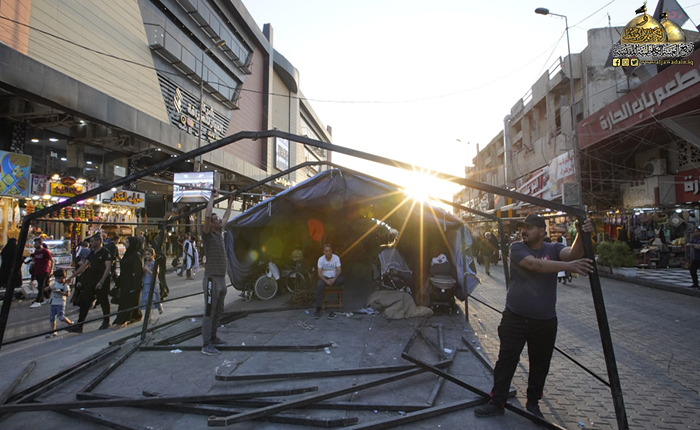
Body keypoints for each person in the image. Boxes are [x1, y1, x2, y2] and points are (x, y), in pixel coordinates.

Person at [474, 214, 594, 419]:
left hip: (545, 321)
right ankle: (497, 401)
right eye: (523, 227)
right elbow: (534, 265)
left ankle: (533, 403)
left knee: (540, 364)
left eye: (529, 227)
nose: (524, 231)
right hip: (515, 318)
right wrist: (568, 267)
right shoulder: (517, 247)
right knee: (506, 361)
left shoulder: (554, 248)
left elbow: (574, 254)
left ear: (541, 230)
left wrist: (582, 233)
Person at [200, 191, 236, 356]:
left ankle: (213, 338)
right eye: (216, 219)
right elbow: (207, 216)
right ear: (212, 224)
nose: (219, 220)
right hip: (211, 280)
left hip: (221, 279)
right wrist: (212, 198)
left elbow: (227, 216)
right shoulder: (207, 235)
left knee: (218, 311)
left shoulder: (219, 233)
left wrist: (231, 201)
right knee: (209, 312)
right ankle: (206, 344)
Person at [66, 234, 112, 332]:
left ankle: (106, 321)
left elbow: (107, 268)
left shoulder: (105, 252)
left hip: (101, 280)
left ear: (98, 241)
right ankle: (79, 325)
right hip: (90, 280)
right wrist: (72, 277)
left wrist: (101, 281)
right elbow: (84, 266)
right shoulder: (92, 253)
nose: (90, 243)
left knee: (103, 301)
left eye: (92, 241)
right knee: (84, 302)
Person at [112, 237, 143, 328]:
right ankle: (135, 316)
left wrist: (136, 285)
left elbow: (138, 271)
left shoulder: (135, 255)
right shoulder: (127, 254)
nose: (125, 243)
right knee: (128, 301)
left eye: (127, 242)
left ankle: (122, 320)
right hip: (124, 281)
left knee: (127, 301)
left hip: (131, 282)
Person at [315, 243, 345, 320]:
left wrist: (334, 279)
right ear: (323, 252)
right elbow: (319, 274)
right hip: (324, 278)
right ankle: (318, 309)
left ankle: (331, 283)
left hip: (334, 277)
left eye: (329, 251)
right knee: (319, 285)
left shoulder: (336, 258)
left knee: (342, 279)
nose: (328, 252)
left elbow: (339, 270)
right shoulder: (321, 259)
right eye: (326, 251)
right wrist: (326, 281)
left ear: (332, 251)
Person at [44, 269, 74, 338]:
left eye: (59, 278)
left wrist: (60, 292)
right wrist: (49, 288)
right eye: (56, 278)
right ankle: (53, 331)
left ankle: (70, 323)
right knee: (52, 317)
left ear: (64, 277)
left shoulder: (64, 285)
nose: (58, 280)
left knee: (61, 317)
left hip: (60, 303)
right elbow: (47, 288)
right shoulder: (55, 283)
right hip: (53, 302)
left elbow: (67, 294)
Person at [30, 237, 55, 308]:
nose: (35, 245)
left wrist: (51, 270)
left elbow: (52, 260)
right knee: (44, 285)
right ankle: (47, 297)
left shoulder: (45, 251)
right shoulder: (36, 251)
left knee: (41, 286)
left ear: (40, 243)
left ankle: (38, 300)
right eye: (35, 243)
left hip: (44, 271)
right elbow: (35, 260)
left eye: (36, 243)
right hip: (37, 270)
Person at [141, 247, 163, 316]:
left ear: (152, 255)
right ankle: (149, 315)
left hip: (153, 281)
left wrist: (147, 269)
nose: (147, 256)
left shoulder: (154, 263)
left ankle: (159, 306)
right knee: (147, 298)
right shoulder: (146, 263)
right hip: (146, 281)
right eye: (145, 254)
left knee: (154, 296)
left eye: (148, 254)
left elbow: (155, 274)